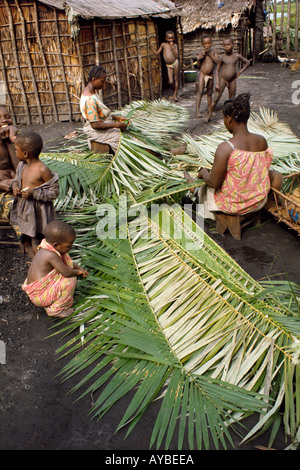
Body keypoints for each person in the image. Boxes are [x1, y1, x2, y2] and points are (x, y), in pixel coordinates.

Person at [184, 93, 283, 220]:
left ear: (229, 119)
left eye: (224, 119)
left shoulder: (226, 148)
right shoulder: (262, 141)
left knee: (205, 186)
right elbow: (256, 169)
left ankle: (193, 187)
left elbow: (214, 183)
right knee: (273, 174)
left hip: (232, 206)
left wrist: (203, 172)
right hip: (257, 201)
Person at [22, 220, 88, 319]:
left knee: (68, 274)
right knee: (70, 281)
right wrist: (78, 272)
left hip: (39, 289)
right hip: (39, 296)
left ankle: (55, 298)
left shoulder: (47, 246)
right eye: (68, 246)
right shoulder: (51, 255)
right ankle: (56, 310)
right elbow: (67, 272)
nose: (70, 248)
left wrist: (79, 268)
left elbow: (67, 264)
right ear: (56, 245)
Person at [9, 131, 59, 258]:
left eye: (16, 150)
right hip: (26, 210)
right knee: (30, 235)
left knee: (39, 238)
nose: (15, 152)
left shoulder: (42, 169)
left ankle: (42, 262)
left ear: (25, 153)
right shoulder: (22, 166)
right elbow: (16, 179)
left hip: (39, 212)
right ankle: (36, 259)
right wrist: (15, 187)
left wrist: (34, 193)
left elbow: (53, 192)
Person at [80, 66, 128, 154]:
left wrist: (116, 117)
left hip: (99, 125)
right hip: (96, 131)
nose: (104, 84)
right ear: (94, 79)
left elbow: (100, 113)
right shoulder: (90, 100)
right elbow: (95, 124)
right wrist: (117, 125)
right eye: (102, 81)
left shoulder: (92, 93)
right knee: (124, 141)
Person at [207, 38, 250, 122]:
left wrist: (239, 72)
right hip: (223, 79)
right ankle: (209, 115)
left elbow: (247, 62)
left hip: (232, 80)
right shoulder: (222, 57)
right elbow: (217, 70)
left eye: (228, 44)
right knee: (216, 98)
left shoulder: (236, 56)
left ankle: (230, 117)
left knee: (232, 99)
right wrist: (217, 83)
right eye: (224, 45)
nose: (226, 47)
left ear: (232, 45)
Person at [0, 105, 19, 221]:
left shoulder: (11, 137)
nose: (4, 120)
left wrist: (11, 140)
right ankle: (28, 238)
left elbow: (19, 167)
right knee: (18, 205)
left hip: (12, 186)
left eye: (7, 117)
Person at [151, 30, 180, 102]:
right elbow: (157, 53)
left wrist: (173, 48)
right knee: (170, 81)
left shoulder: (175, 45)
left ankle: (175, 95)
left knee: (176, 78)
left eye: (172, 38)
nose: (171, 40)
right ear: (166, 38)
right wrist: (151, 47)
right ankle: (174, 90)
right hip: (168, 65)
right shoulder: (163, 45)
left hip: (175, 63)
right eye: (169, 38)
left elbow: (176, 55)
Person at [195, 35, 219, 121]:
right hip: (202, 75)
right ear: (202, 44)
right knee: (200, 92)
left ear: (211, 43)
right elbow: (198, 67)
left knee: (209, 93)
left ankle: (210, 110)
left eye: (209, 43)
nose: (207, 45)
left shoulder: (214, 51)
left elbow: (217, 61)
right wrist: (199, 59)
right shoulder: (201, 53)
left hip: (211, 75)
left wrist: (210, 54)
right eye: (205, 43)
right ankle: (197, 111)